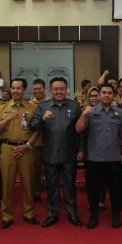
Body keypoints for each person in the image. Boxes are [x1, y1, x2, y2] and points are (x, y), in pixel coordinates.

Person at [30, 77, 83, 228]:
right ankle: (52, 215)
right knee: (51, 187)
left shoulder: (74, 106)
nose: (59, 92)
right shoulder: (42, 106)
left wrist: (81, 149)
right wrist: (42, 118)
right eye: (56, 89)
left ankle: (72, 214)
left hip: (69, 154)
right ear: (50, 90)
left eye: (62, 89)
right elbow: (32, 126)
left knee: (69, 186)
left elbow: (80, 131)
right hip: (50, 154)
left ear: (67, 90)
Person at [75, 84, 122, 229]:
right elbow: (78, 129)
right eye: (103, 92)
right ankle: (93, 216)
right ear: (99, 95)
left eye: (109, 93)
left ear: (113, 95)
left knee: (115, 189)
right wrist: (83, 114)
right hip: (94, 158)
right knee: (93, 190)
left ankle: (115, 215)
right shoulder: (90, 111)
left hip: (114, 158)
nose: (106, 95)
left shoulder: (119, 113)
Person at [0, 78, 40, 229]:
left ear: (24, 90)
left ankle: (29, 214)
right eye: (13, 88)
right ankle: (6, 216)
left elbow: (37, 130)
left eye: (18, 88)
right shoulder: (2, 107)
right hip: (8, 149)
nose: (15, 91)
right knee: (7, 184)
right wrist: (8, 118)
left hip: (26, 149)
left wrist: (28, 145)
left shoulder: (32, 108)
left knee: (28, 183)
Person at [29, 79, 47, 201]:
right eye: (34, 89)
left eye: (39, 88)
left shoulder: (51, 102)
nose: (37, 91)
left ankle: (53, 192)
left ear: (44, 89)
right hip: (35, 142)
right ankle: (36, 192)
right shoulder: (29, 104)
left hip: (50, 142)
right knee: (35, 170)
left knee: (51, 170)